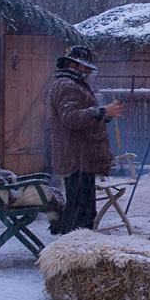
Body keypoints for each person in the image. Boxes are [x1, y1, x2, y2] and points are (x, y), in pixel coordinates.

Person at [47, 45, 125, 234]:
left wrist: (104, 115)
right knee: (79, 216)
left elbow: (83, 120)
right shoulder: (67, 86)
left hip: (82, 158)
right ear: (74, 64)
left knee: (84, 212)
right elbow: (71, 118)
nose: (90, 71)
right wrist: (102, 111)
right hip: (75, 159)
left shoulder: (74, 85)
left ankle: (76, 251)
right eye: (86, 67)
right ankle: (71, 254)